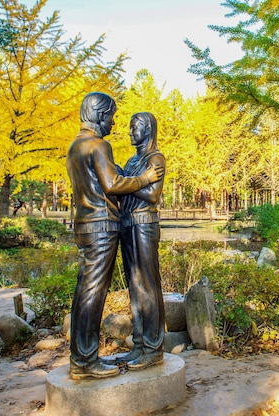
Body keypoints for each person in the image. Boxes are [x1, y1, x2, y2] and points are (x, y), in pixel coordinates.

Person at [66, 92, 164, 380]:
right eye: (111, 116)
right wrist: (144, 179)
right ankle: (85, 360)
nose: (114, 123)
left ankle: (87, 357)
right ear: (99, 114)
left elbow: (113, 183)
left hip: (94, 223)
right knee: (93, 292)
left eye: (134, 125)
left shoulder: (76, 145)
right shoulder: (98, 145)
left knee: (91, 289)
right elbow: (111, 183)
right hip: (101, 224)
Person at [114, 112, 166, 370]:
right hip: (127, 224)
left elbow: (152, 195)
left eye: (135, 127)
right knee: (134, 286)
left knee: (148, 285)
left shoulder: (155, 159)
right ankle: (139, 344)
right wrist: (128, 182)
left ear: (147, 129)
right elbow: (133, 188)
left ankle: (153, 347)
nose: (130, 131)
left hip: (144, 225)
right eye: (129, 126)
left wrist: (124, 184)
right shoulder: (132, 160)